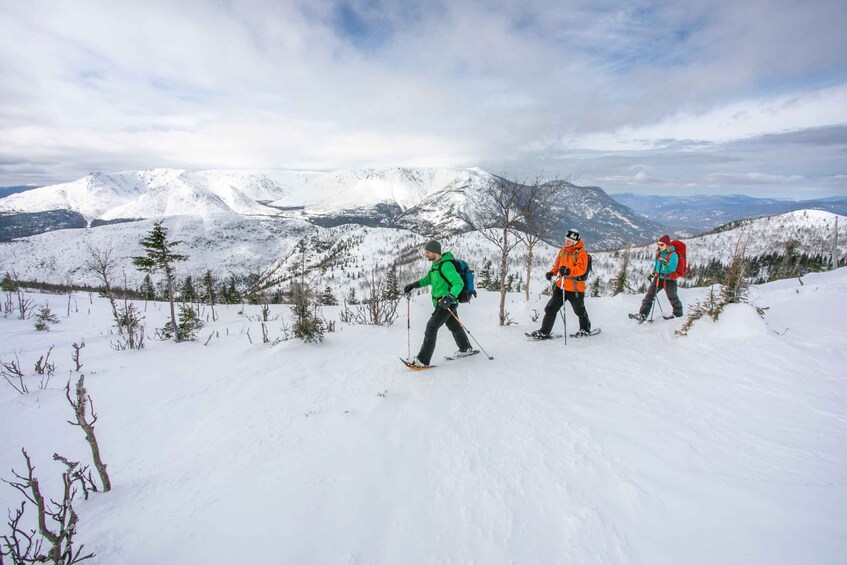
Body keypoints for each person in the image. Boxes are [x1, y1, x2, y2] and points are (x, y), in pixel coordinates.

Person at [402, 240, 473, 367]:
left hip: (446, 303)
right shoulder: (436, 265)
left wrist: (450, 298)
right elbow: (428, 279)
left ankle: (423, 360)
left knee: (431, 327)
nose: (426, 254)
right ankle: (465, 348)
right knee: (454, 326)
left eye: (428, 252)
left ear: (435, 252)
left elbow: (458, 283)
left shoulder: (446, 266)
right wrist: (414, 285)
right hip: (443, 302)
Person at [529, 228, 592, 338]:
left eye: (570, 241)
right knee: (551, 308)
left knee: (579, 311)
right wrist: (552, 272)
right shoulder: (563, 250)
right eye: (566, 239)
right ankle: (544, 332)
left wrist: (569, 271)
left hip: (575, 288)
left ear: (575, 242)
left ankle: (585, 329)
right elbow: (557, 264)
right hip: (561, 286)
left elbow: (581, 269)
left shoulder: (582, 253)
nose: (566, 242)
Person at [630, 234, 684, 321]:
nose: (660, 246)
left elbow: (671, 269)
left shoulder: (673, 255)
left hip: (669, 280)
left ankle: (678, 315)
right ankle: (642, 315)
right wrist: (653, 274)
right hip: (658, 278)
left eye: (662, 244)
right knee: (649, 296)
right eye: (658, 244)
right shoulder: (660, 254)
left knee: (672, 297)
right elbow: (657, 266)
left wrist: (664, 265)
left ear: (667, 245)